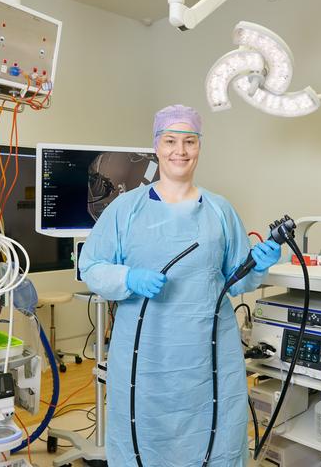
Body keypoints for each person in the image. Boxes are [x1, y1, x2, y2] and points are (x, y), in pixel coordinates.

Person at [79, 105, 281, 466]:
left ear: (199, 147)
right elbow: (92, 266)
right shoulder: (126, 209)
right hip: (145, 356)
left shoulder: (220, 210)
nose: (180, 150)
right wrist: (129, 278)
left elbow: (237, 281)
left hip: (207, 356)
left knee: (213, 436)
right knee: (141, 437)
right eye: (171, 141)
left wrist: (257, 266)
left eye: (189, 141)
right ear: (157, 146)